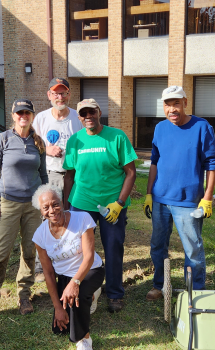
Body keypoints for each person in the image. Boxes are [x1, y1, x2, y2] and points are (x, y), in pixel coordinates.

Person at [144, 86, 215, 300]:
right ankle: (159, 285)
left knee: (192, 248)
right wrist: (149, 193)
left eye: (176, 103)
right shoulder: (160, 128)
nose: (172, 109)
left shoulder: (201, 127)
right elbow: (155, 162)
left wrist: (207, 198)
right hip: (160, 199)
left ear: (185, 102)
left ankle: (194, 291)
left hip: (187, 201)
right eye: (167, 104)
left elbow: (211, 164)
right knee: (158, 245)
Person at [63, 98, 137, 313]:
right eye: (83, 113)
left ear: (99, 112)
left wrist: (119, 203)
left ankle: (114, 293)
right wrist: (67, 207)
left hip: (111, 205)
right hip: (81, 203)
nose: (88, 117)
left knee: (113, 248)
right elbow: (69, 176)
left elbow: (130, 173)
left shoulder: (117, 137)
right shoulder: (75, 141)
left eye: (91, 112)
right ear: (79, 117)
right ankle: (81, 288)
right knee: (79, 250)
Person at [0, 98, 48, 315]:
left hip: (33, 206)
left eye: (27, 113)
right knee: (0, 254)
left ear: (32, 116)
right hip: (8, 203)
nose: (23, 116)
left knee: (29, 251)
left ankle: (24, 296)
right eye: (19, 113)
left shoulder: (38, 143)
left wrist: (45, 203)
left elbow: (43, 175)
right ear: (13, 116)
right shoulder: (2, 139)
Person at [32, 184, 104, 350]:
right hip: (65, 276)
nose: (52, 210)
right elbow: (49, 274)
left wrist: (75, 283)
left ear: (62, 202)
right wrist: (57, 307)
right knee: (60, 328)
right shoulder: (39, 236)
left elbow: (89, 257)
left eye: (55, 204)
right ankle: (92, 296)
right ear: (41, 211)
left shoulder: (83, 219)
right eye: (46, 207)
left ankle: (84, 340)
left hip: (91, 270)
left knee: (76, 297)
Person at [32, 77, 83, 283]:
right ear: (49, 95)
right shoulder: (41, 119)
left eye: (63, 93)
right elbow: (32, 142)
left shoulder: (77, 119)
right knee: (47, 218)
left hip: (73, 175)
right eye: (55, 93)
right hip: (50, 175)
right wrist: (46, 149)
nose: (59, 97)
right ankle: (40, 265)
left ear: (69, 95)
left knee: (70, 216)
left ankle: (69, 259)